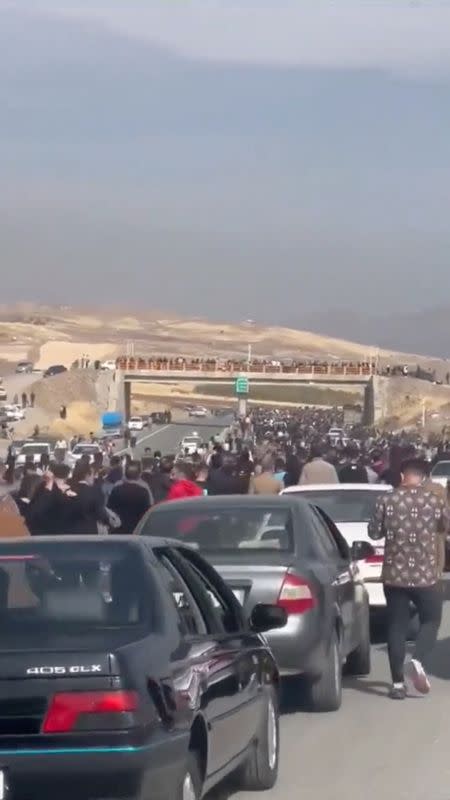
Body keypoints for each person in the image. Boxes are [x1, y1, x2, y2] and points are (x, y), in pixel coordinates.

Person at [368, 458, 447, 700]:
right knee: (431, 620)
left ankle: (397, 684)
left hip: (394, 575)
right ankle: (418, 659)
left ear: (403, 476)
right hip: (425, 574)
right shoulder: (434, 501)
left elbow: (373, 533)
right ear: (423, 477)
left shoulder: (386, 500)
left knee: (396, 626)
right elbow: (445, 526)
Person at [108, 462, 152, 533]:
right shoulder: (144, 489)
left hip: (118, 529)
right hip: (138, 529)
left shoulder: (116, 488)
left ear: (124, 473)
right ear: (139, 474)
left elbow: (109, 508)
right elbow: (149, 509)